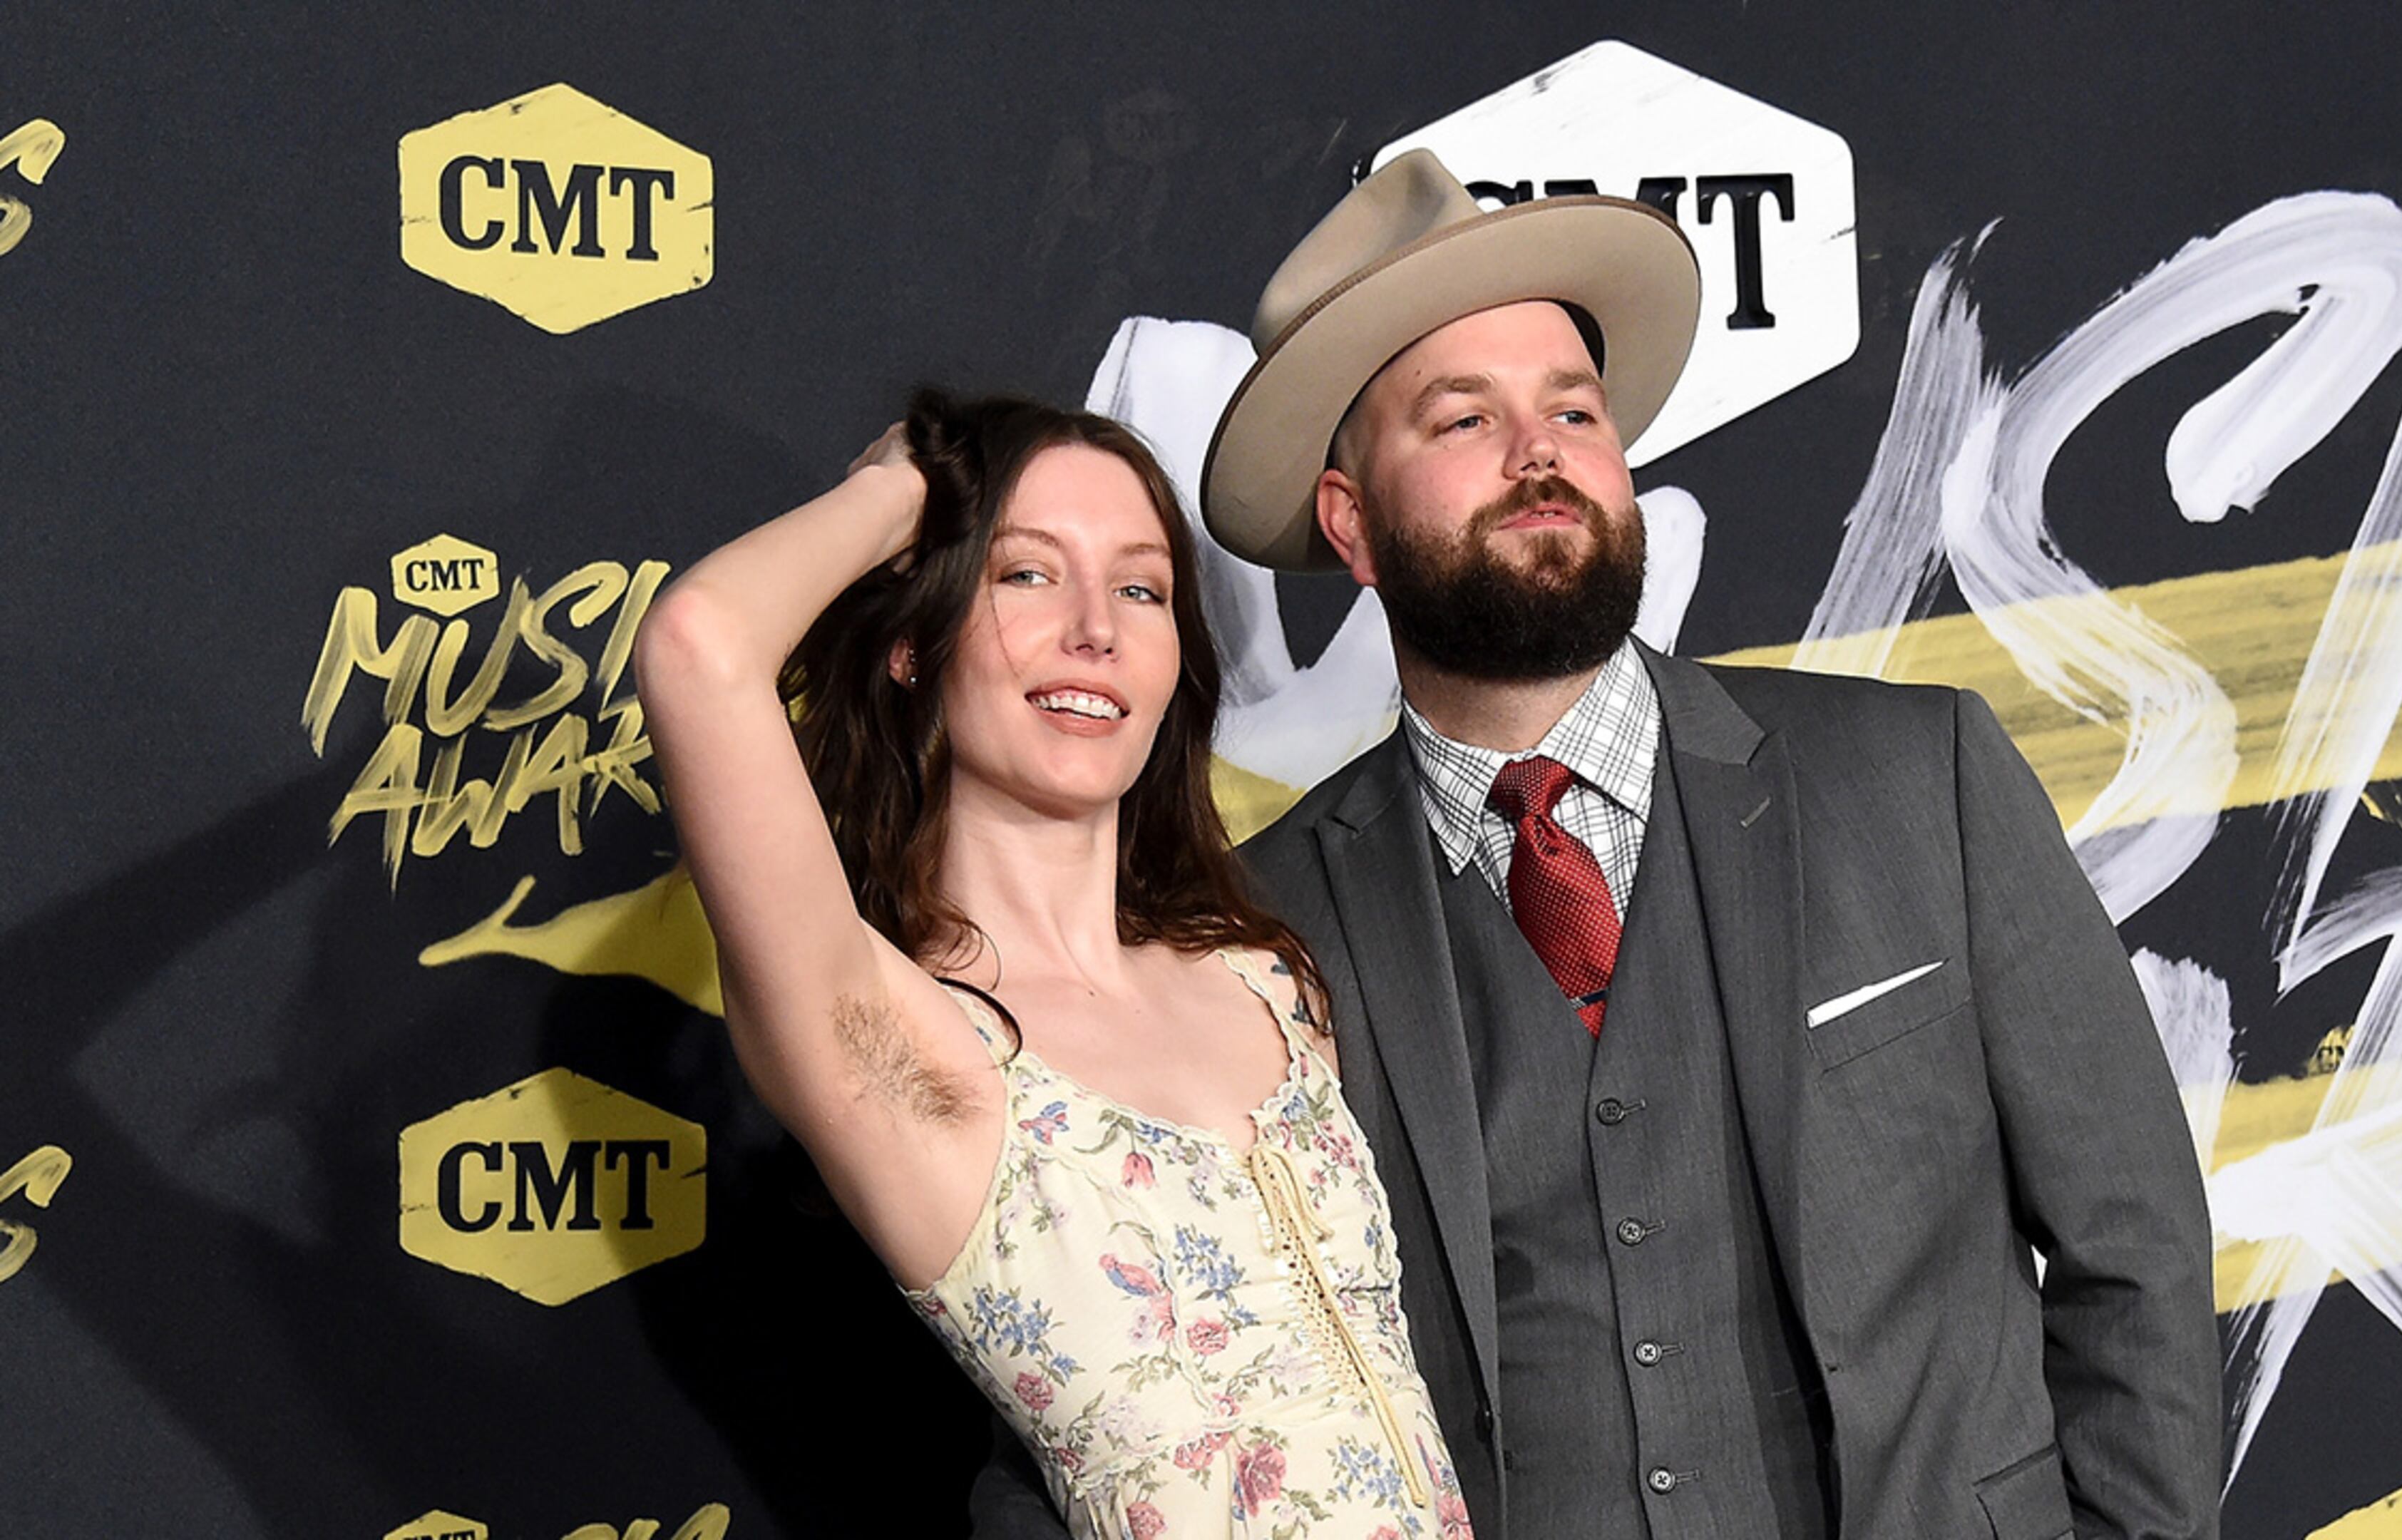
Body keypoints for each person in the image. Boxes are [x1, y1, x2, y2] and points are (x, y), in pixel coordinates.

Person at [986, 150, 2223, 1539]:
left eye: (1574, 408)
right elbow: (1139, 1387)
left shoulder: (1915, 777)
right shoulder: (1258, 938)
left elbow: (2138, 1251)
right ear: (1352, 525)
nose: (1540, 452)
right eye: (1465, 419)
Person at [634, 391, 1471, 1539]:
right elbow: (701, 647)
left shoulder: (1268, 975)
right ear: (913, 639)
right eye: (1026, 575)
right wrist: (906, 488)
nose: (1098, 629)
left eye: (1142, 587)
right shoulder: (894, 1034)